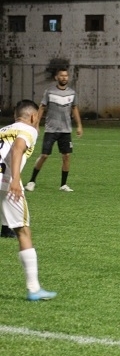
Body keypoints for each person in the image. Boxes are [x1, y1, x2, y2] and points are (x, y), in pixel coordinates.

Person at [0, 99, 57, 300]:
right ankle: (34, 289)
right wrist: (15, 180)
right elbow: (18, 147)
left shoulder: (3, 129)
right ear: (33, 117)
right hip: (6, 182)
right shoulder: (28, 129)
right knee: (23, 230)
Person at [24, 68, 83, 192]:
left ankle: (63, 185)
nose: (64, 78)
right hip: (51, 129)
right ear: (56, 77)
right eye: (61, 76)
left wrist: (79, 125)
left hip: (66, 131)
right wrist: (36, 124)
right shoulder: (50, 92)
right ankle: (31, 181)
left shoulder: (72, 93)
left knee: (66, 156)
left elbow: (74, 108)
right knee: (44, 155)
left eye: (66, 76)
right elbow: (42, 108)